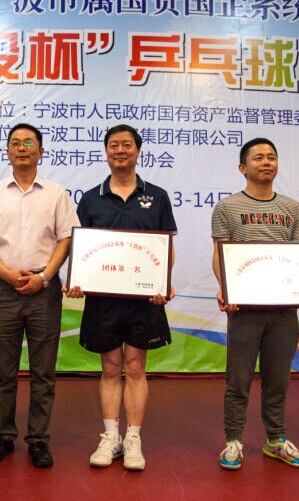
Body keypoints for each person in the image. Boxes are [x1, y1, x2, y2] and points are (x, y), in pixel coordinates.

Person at [64, 124, 176, 472]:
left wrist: (163, 282)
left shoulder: (157, 196)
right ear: (106, 151)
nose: (120, 150)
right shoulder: (91, 198)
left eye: (127, 145)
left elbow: (166, 246)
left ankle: (133, 439)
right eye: (114, 145)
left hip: (144, 299)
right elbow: (80, 246)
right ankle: (110, 436)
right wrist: (78, 280)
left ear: (138, 151)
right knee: (111, 368)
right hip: (104, 300)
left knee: (136, 367)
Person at [0, 122, 79, 468]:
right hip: (4, 289)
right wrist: (4, 272)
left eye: (29, 143)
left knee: (43, 372)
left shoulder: (56, 193)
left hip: (44, 290)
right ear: (7, 151)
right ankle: (3, 436)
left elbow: (67, 238)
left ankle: (38, 440)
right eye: (15, 143)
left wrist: (45, 277)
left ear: (41, 151)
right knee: (4, 371)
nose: (21, 148)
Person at [211, 137, 299, 470]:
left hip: (283, 311)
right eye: (258, 158)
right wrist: (226, 289)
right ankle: (233, 441)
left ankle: (275, 440)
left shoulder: (291, 208)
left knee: (278, 380)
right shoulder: (227, 207)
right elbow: (220, 254)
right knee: (238, 380)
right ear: (242, 167)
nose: (266, 162)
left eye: (271, 157)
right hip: (245, 310)